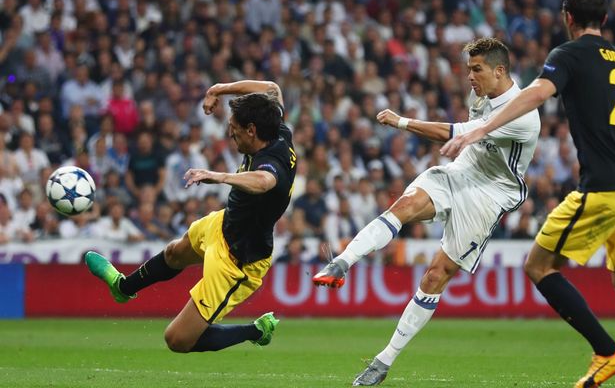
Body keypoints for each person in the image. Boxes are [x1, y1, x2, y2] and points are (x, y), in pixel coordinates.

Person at [441, 0, 615, 388]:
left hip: (603, 189)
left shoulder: (568, 55)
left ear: (568, 19)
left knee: (538, 265)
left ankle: (607, 351)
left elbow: (536, 95)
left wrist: (480, 129)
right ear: (605, 20)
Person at [312, 37, 540, 386]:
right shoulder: (479, 95)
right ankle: (342, 262)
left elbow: (456, 131)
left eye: (476, 70)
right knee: (403, 206)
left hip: (490, 194)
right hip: (461, 171)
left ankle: (383, 361)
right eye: (468, 70)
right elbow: (464, 137)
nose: (470, 77)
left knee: (436, 276)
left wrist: (402, 122)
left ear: (500, 70)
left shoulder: (523, 112)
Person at [84, 79, 297, 353]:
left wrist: (218, 176)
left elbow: (264, 180)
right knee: (175, 252)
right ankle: (123, 287)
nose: (231, 135)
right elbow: (271, 88)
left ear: (252, 131)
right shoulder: (277, 127)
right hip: (223, 224)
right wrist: (217, 89)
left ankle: (256, 330)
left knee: (177, 339)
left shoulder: (273, 161)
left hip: (239, 262)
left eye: (234, 130)